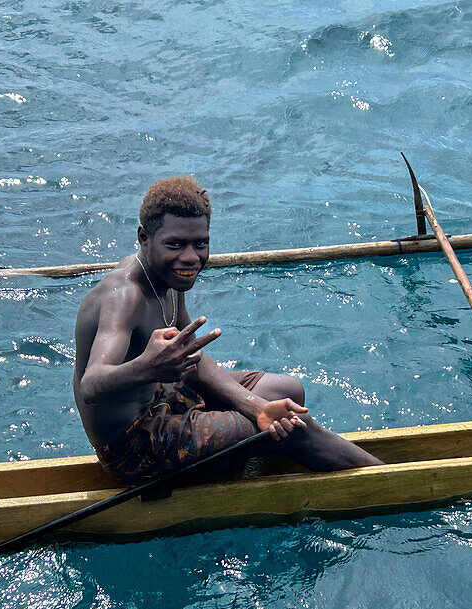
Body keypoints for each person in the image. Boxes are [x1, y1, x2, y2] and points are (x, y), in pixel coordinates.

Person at [72, 176, 383, 485]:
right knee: (290, 425)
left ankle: (246, 466)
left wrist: (259, 407)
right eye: (175, 244)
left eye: (200, 244)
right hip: (136, 446)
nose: (190, 258)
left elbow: (194, 362)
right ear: (144, 238)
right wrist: (147, 367)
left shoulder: (169, 278)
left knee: (285, 394)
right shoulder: (125, 296)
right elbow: (91, 384)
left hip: (166, 400)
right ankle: (381, 478)